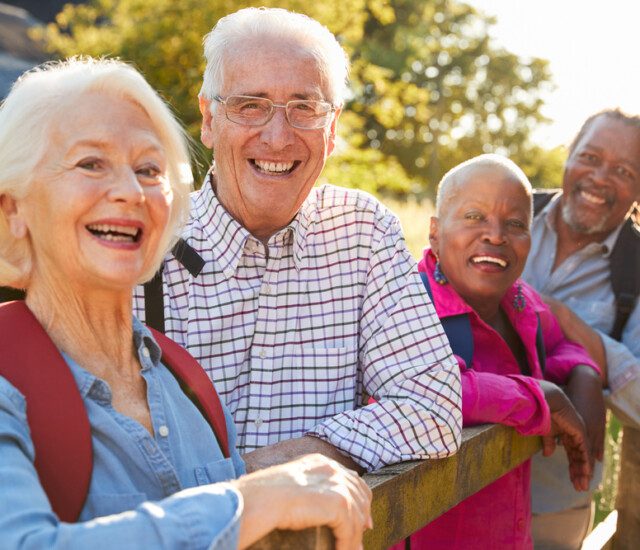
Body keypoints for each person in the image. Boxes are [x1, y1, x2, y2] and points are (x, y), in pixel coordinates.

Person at [0, 57, 372, 549]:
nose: (131, 192)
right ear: (13, 209)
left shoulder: (189, 387)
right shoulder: (8, 384)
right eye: (91, 163)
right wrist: (249, 502)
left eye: (148, 169)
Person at [133, 7, 462, 474]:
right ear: (209, 119)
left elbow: (433, 411)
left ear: (332, 130)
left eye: (304, 108)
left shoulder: (364, 234)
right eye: (251, 104)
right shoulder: (141, 243)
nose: (278, 136)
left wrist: (276, 466)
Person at [400, 154, 603, 549]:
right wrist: (538, 396)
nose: (495, 235)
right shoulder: (408, 304)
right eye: (474, 216)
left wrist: (584, 374)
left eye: (515, 224)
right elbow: (424, 389)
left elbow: (561, 344)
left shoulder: (521, 302)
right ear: (436, 234)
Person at [523, 109, 640, 549]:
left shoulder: (638, 271)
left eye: (624, 170)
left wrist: (567, 324)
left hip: (552, 501)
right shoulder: (505, 212)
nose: (599, 178)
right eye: (589, 157)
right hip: (450, 485)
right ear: (568, 157)